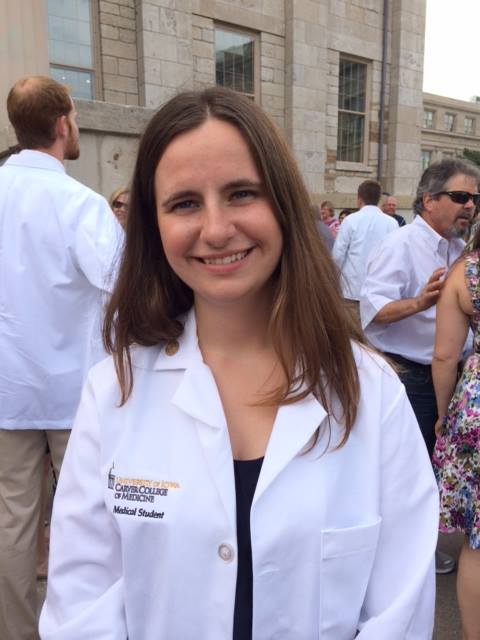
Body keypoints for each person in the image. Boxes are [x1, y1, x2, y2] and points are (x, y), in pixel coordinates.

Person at [40, 87, 438, 639]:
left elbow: (400, 610)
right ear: (154, 227)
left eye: (242, 193)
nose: (216, 229)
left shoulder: (372, 392)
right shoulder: (112, 392)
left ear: (284, 205)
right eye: (184, 203)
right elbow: (81, 609)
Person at [0, 76, 122, 640]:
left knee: (12, 520)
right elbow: (121, 288)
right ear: (62, 123)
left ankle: (18, 632)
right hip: (76, 390)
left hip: (9, 387)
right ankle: (84, 625)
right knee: (89, 514)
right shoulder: (79, 203)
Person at [360, 158, 480, 574]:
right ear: (429, 200)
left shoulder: (457, 248)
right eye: (460, 196)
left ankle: (416, 552)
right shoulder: (401, 244)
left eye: (474, 199)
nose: (470, 206)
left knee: (432, 466)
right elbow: (372, 310)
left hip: (452, 373)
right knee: (407, 470)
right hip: (410, 375)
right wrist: (419, 302)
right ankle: (400, 561)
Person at [432, 235, 480, 638]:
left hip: (476, 407)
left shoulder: (466, 273)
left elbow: (445, 356)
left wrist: (444, 412)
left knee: (478, 543)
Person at [332, 180, 397, 315]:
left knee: (350, 327)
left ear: (359, 199)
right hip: (380, 292)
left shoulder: (350, 220)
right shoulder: (392, 224)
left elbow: (338, 255)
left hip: (352, 290)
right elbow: (395, 258)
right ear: (379, 199)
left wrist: (333, 281)